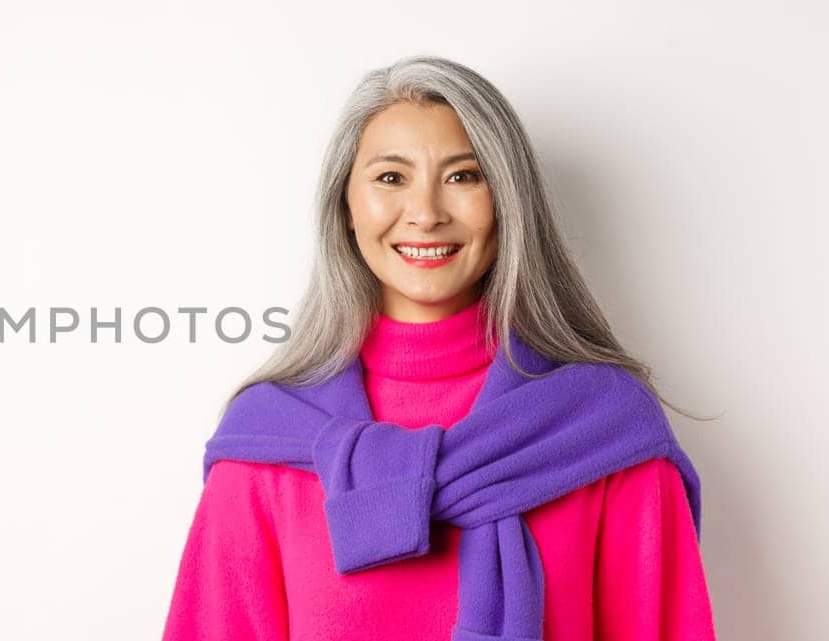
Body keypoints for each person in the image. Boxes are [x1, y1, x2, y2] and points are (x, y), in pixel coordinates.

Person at [161, 56, 717, 641]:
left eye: (463, 176)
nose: (425, 214)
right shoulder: (267, 441)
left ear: (507, 205)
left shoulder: (604, 429)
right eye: (390, 178)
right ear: (346, 208)